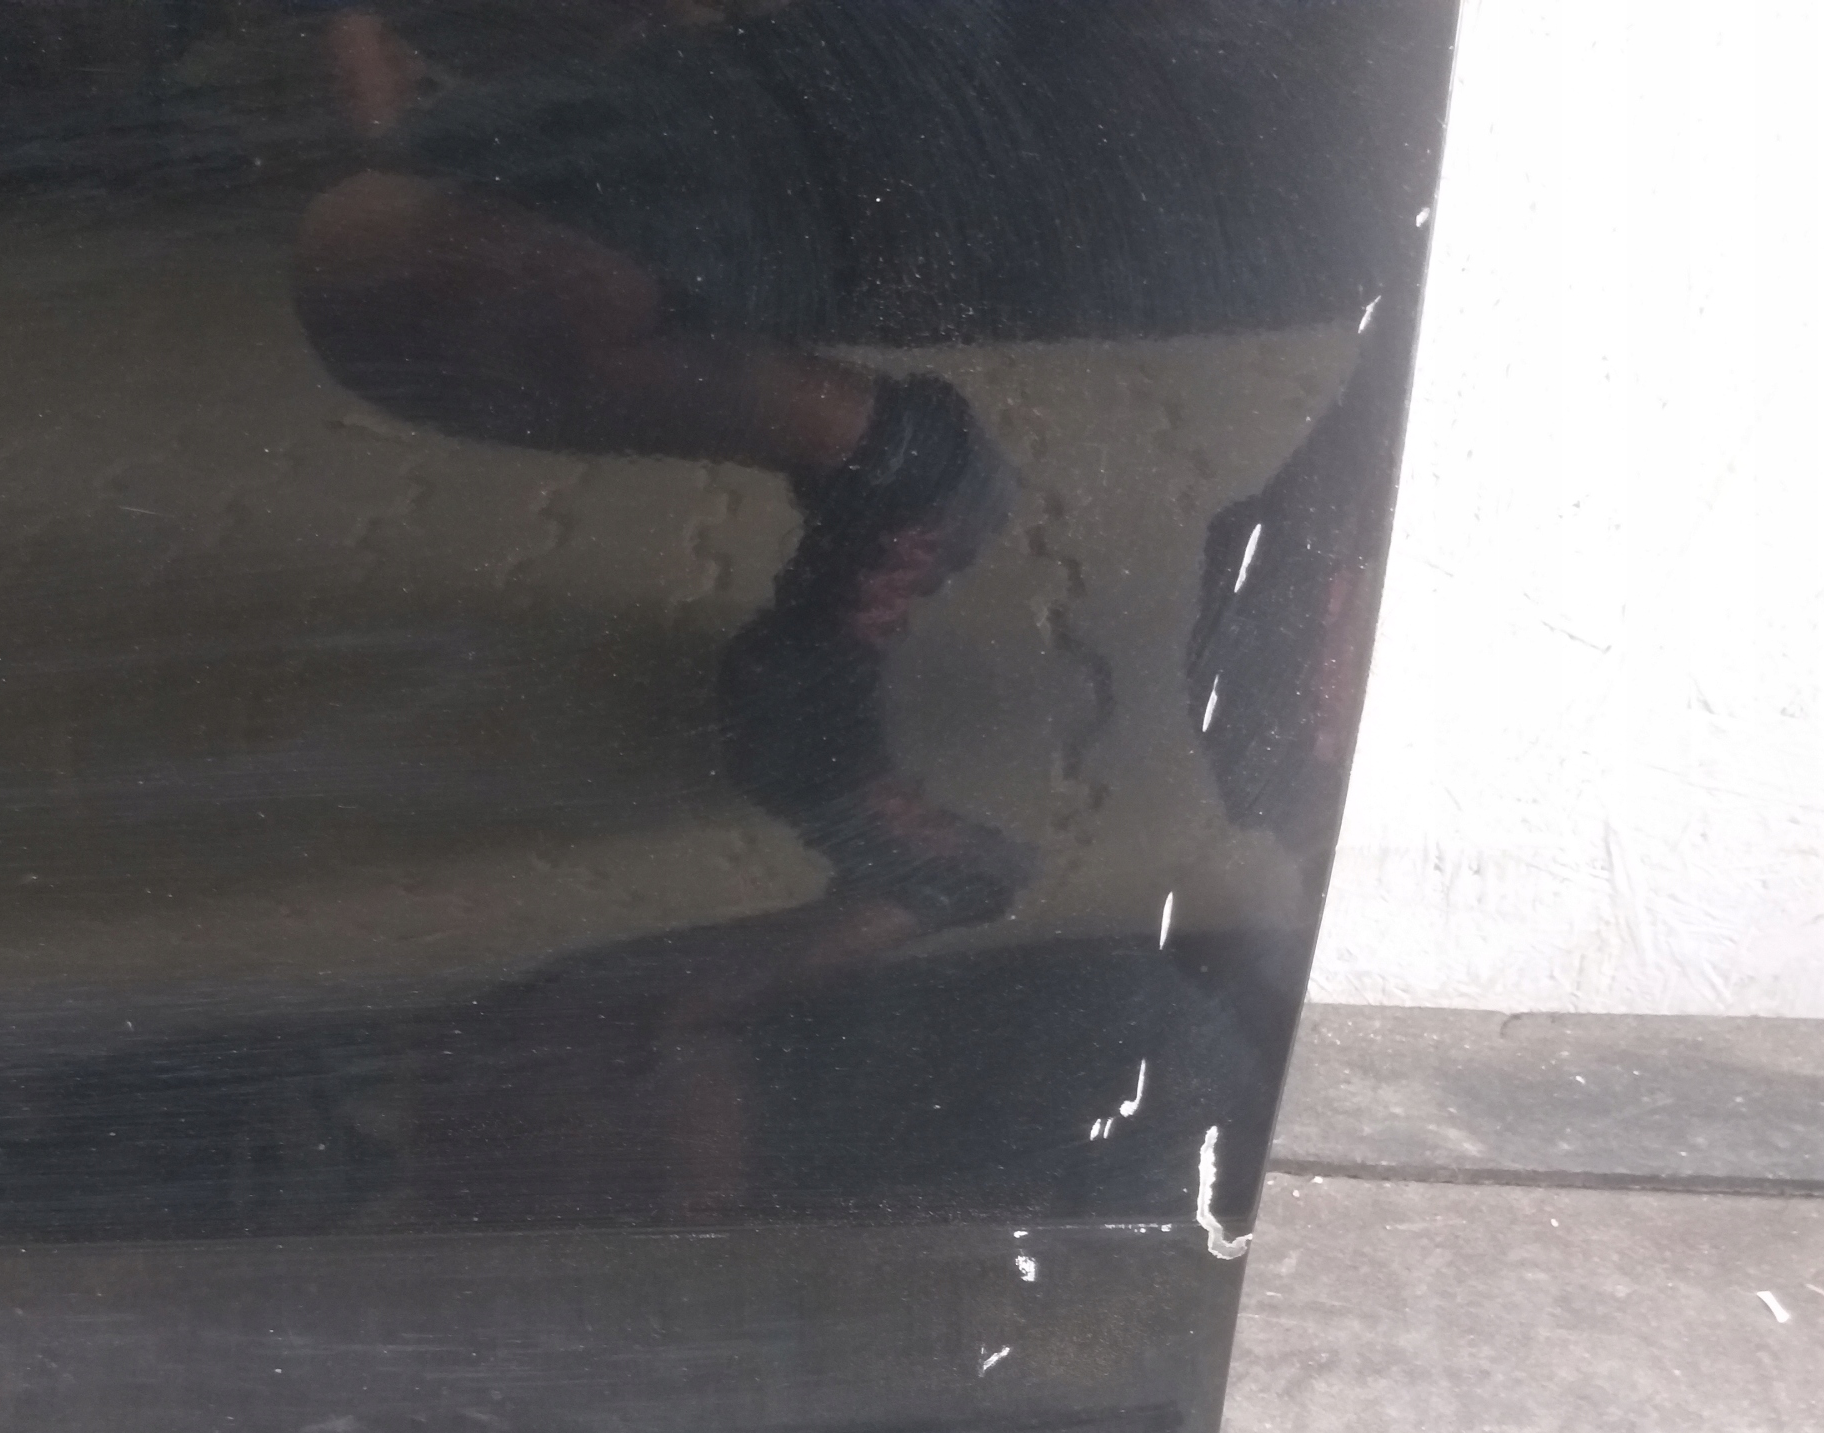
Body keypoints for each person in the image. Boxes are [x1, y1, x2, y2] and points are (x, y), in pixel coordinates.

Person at [292, 0, 1441, 931]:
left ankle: (907, 495)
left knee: (396, 254)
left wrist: (1353, 487)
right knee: (395, 256)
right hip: (982, 80)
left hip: (1304, 144)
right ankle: (893, 469)